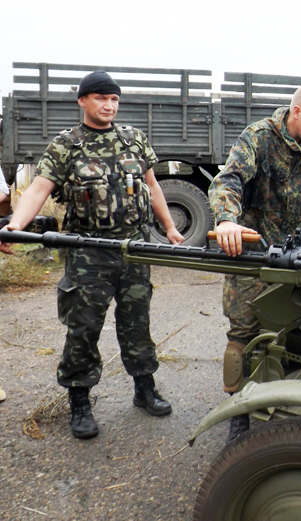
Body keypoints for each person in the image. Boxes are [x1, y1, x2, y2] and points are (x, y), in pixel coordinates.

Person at [0, 71, 184, 439]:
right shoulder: (67, 145)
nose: (109, 105)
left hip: (133, 250)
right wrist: (15, 225)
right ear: (83, 101)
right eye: (101, 98)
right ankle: (80, 401)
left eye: (114, 99)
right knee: (83, 329)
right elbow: (39, 188)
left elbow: (152, 187)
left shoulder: (134, 140)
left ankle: (144, 389)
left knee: (137, 324)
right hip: (87, 253)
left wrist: (170, 228)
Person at [208, 83, 301, 442]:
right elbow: (228, 180)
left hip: (298, 252)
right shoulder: (258, 137)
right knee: (244, 331)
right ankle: (239, 413)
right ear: (297, 112)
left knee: (300, 325)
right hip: (255, 250)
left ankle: (289, 401)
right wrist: (227, 219)